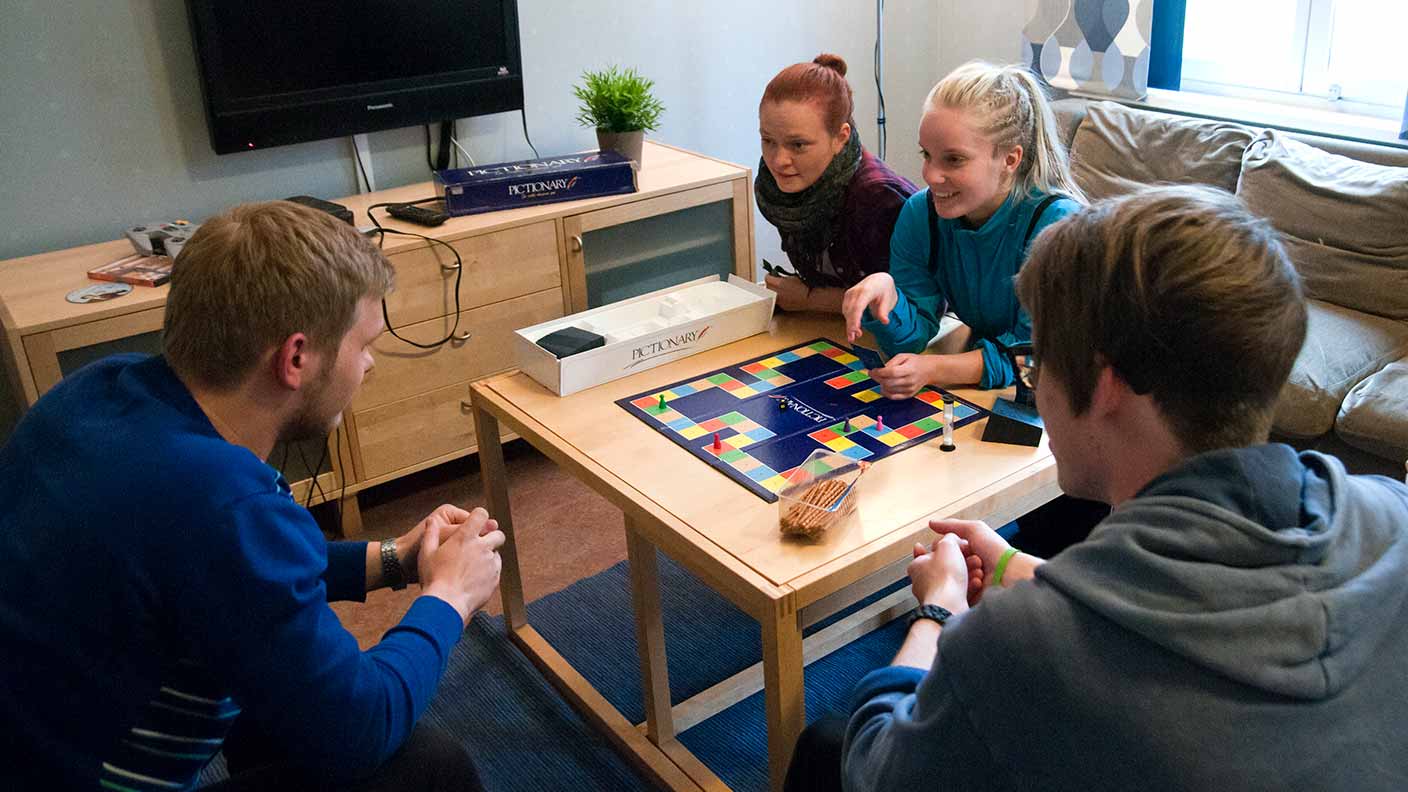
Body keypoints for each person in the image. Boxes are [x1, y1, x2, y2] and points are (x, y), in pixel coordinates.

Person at [789, 185, 1408, 791]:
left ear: (1106, 385)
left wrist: (936, 613)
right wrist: (1019, 568)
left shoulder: (1016, 646)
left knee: (826, 747)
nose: (1038, 383)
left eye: (1038, 360)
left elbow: (879, 770)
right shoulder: (1392, 513)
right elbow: (1190, 597)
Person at [0, 202, 506, 791]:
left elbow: (241, 579)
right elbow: (363, 727)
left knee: (274, 689)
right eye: (364, 343)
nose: (368, 364)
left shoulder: (97, 389)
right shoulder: (219, 505)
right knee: (427, 767)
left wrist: (395, 556)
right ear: (296, 357)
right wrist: (449, 595)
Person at [841, 60, 1085, 400]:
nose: (929, 175)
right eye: (927, 154)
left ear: (1010, 160)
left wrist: (933, 369)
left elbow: (1036, 360)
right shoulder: (920, 213)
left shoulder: (1056, 226)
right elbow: (911, 340)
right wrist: (888, 296)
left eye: (953, 160)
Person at [756, 53, 917, 313]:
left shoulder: (879, 198)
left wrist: (812, 299)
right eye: (768, 140)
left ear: (841, 137)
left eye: (798, 145)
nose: (778, 160)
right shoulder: (782, 187)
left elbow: (920, 304)